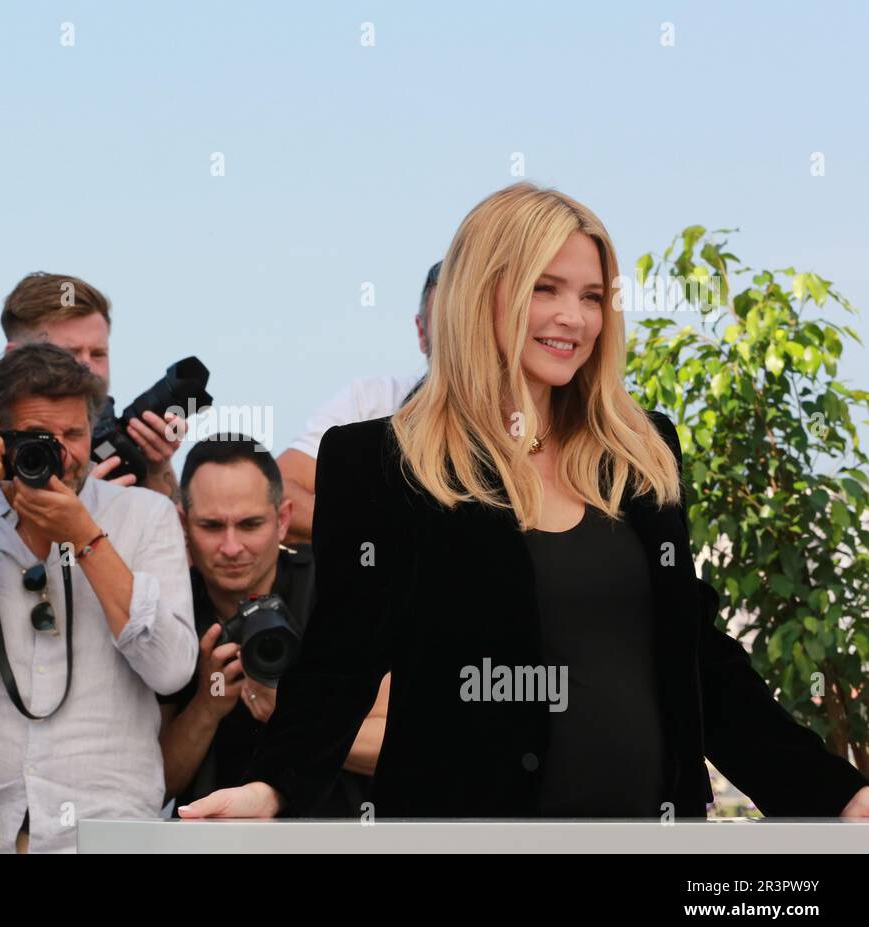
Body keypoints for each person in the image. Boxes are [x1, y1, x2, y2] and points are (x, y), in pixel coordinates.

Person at [180, 182, 869, 821]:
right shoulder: (380, 463)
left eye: (593, 296)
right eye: (547, 289)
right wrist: (271, 789)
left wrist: (839, 796)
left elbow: (698, 664)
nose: (575, 317)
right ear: (482, 293)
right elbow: (341, 662)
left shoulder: (642, 451)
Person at [0, 342, 196, 853]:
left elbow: (171, 671)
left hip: (108, 827)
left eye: (75, 434)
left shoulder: (145, 516)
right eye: (39, 439)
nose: (64, 454)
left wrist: (88, 538)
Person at [159, 435, 382, 815]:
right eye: (212, 526)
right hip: (212, 838)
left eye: (250, 524)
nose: (231, 547)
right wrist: (207, 705)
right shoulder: (170, 601)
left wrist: (295, 717)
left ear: (282, 521)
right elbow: (154, 783)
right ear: (183, 524)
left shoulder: (335, 586)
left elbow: (393, 744)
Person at [0, 272, 185, 505]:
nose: (88, 369)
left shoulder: (128, 448)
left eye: (97, 354)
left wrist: (157, 469)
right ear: (15, 357)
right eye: (68, 353)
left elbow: (175, 553)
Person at [276, 262, 438, 545]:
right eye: (448, 325)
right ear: (422, 333)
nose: (462, 340)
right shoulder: (369, 402)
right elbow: (276, 490)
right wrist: (383, 536)